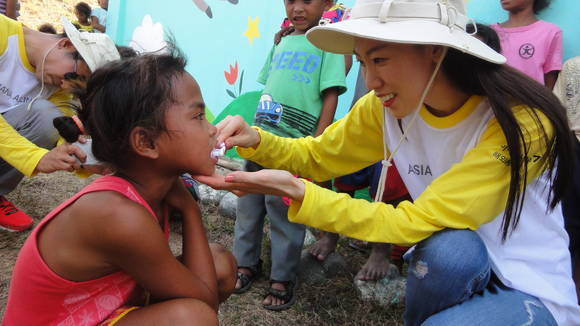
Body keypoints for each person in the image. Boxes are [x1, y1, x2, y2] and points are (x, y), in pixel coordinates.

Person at [200, 0, 579, 324]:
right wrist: (256, 140)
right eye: (363, 62)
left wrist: (298, 191)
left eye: (380, 59)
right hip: (455, 259)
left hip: (528, 286)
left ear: (435, 49)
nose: (370, 80)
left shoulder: (520, 124)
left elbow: (411, 222)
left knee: (447, 249)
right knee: (450, 249)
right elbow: (317, 155)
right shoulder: (383, 109)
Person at [2, 49, 237, 325]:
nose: (211, 129)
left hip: (107, 311)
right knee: (192, 319)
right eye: (198, 117)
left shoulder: (150, 187)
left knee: (219, 262)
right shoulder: (116, 214)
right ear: (146, 143)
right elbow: (204, 303)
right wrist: (189, 208)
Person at [233, 0, 346, 311]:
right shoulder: (282, 39)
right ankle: (245, 264)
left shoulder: (329, 42)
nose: (297, 8)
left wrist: (316, 142)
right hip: (261, 139)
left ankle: (282, 277)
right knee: (248, 205)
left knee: (285, 214)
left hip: (296, 146)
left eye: (307, 1)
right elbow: (271, 82)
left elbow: (331, 93)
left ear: (328, 3)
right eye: (290, 0)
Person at [0, 15, 122, 232]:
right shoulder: (3, 33)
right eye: (74, 74)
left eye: (76, 85)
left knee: (48, 119)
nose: (66, 85)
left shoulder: (57, 90)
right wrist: (35, 158)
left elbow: (61, 140)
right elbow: (38, 156)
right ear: (66, 43)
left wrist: (85, 161)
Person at [553, 56, 580, 302]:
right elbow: (559, 109)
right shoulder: (573, 66)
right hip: (573, 148)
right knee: (568, 225)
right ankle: (567, 300)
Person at [491, 0, 562, 89]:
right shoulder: (489, 33)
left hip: (531, 101)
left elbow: (550, 77)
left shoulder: (550, 32)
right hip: (494, 100)